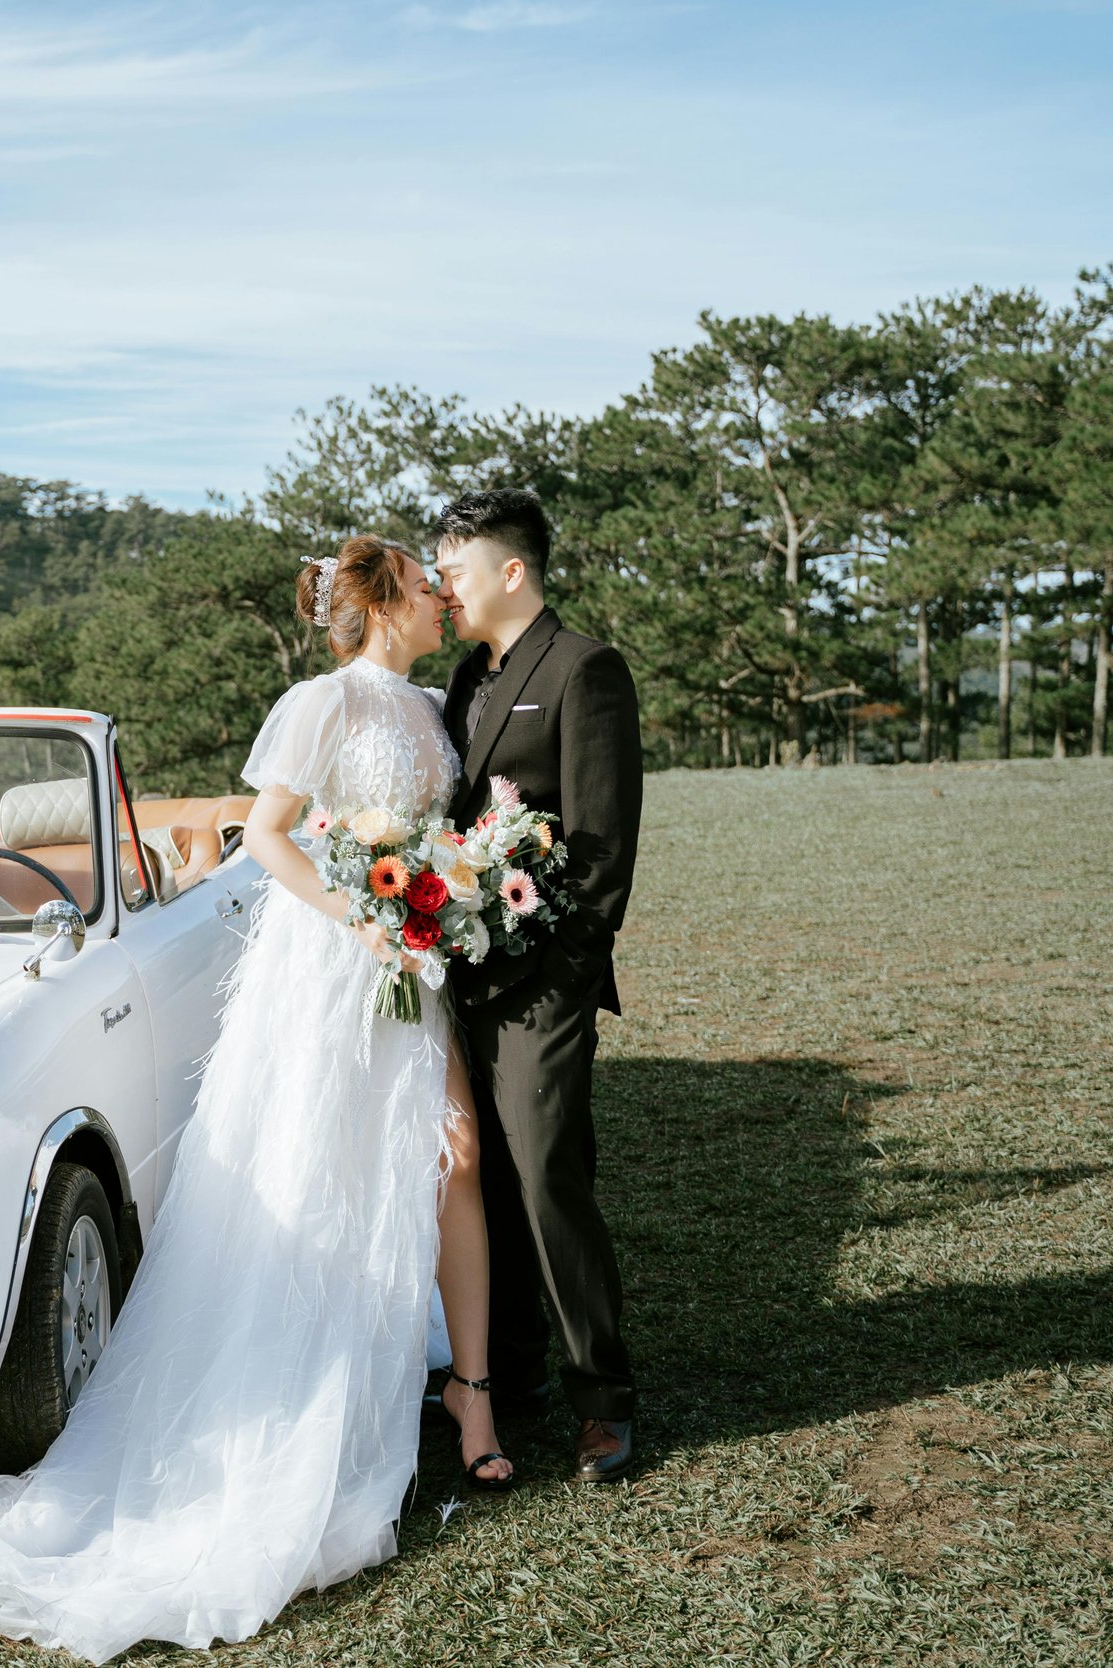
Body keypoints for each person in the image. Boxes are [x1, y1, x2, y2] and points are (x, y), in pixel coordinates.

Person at [0, 536, 508, 1663]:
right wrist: (363, 920)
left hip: (410, 956)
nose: (440, 596)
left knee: (453, 1155)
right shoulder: (320, 704)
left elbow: (434, 832)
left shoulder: (433, 706)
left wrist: (444, 895)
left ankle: (469, 1394)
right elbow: (269, 836)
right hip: (333, 963)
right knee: (332, 1170)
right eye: (425, 584)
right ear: (382, 602)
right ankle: (317, 1386)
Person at [431, 487, 643, 1484]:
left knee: (550, 1175)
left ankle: (602, 1400)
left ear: (510, 571)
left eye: (457, 570)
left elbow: (600, 851)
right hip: (454, 981)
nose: (445, 588)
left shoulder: (584, 669)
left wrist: (554, 977)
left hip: (539, 983)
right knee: (484, 1188)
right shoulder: (464, 679)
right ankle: (503, 1379)